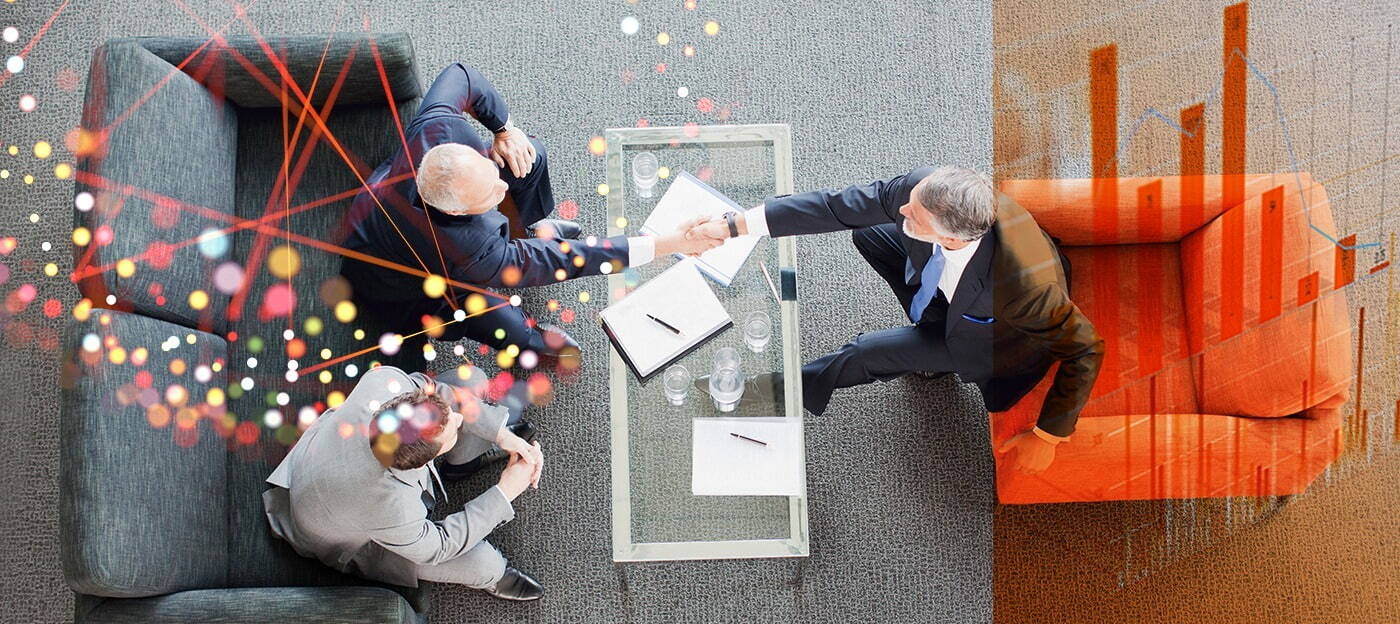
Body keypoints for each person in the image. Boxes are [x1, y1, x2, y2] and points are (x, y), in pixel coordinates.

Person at [686, 165, 1104, 474]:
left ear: (950, 236)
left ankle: (779, 391)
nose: (903, 206)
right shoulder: (925, 192)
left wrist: (1048, 436)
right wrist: (732, 226)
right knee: (869, 232)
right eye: (911, 202)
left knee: (864, 353)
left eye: (914, 216)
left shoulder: (1029, 291)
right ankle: (926, 333)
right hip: (957, 292)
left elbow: (1086, 348)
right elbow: (836, 207)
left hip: (992, 339)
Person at [339, 62, 716, 366]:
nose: (501, 188)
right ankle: (530, 344)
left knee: (526, 157)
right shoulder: (475, 253)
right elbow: (569, 260)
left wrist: (504, 130)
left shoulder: (437, 128)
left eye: (488, 173)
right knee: (492, 313)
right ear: (456, 210)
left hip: (394, 203)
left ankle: (527, 227)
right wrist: (671, 243)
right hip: (402, 286)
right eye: (491, 193)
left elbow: (462, 75)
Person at [262, 364, 547, 601]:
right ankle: (494, 576)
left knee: (472, 380)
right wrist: (506, 489)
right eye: (451, 433)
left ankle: (464, 464)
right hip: (349, 532)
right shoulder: (388, 506)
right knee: (485, 563)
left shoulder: (386, 382)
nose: (460, 419)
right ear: (424, 462)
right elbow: (438, 546)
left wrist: (500, 434)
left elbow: (437, 391)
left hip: (326, 461)